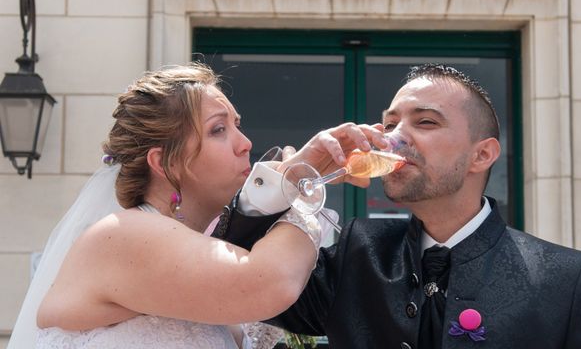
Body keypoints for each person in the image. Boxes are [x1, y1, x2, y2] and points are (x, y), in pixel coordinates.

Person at [215, 63, 581, 349]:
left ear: (482, 155)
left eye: (425, 122)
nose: (395, 138)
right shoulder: (357, 253)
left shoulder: (569, 279)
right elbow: (239, 283)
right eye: (390, 124)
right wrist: (288, 178)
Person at [9, 63, 381, 349]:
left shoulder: (195, 246)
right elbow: (271, 283)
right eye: (219, 130)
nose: (245, 143)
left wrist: (290, 177)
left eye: (237, 126)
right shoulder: (123, 233)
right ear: (164, 162)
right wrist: (303, 189)